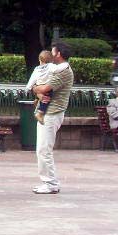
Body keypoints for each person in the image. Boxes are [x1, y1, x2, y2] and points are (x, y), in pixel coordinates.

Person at [31, 41, 75, 194]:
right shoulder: (57, 69)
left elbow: (45, 88)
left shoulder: (63, 71)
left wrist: (35, 88)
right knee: (42, 150)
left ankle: (50, 183)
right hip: (49, 113)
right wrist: (37, 90)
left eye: (53, 51)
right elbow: (41, 89)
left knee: (44, 150)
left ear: (59, 54)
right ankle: (49, 182)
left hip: (52, 114)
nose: (51, 54)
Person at [26, 49, 66, 123]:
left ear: (39, 60)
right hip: (46, 87)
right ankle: (40, 113)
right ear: (51, 60)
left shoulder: (37, 69)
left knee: (39, 92)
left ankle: (36, 100)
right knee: (46, 99)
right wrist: (65, 65)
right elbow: (58, 69)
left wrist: (28, 87)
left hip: (38, 86)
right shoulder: (51, 66)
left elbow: (32, 78)